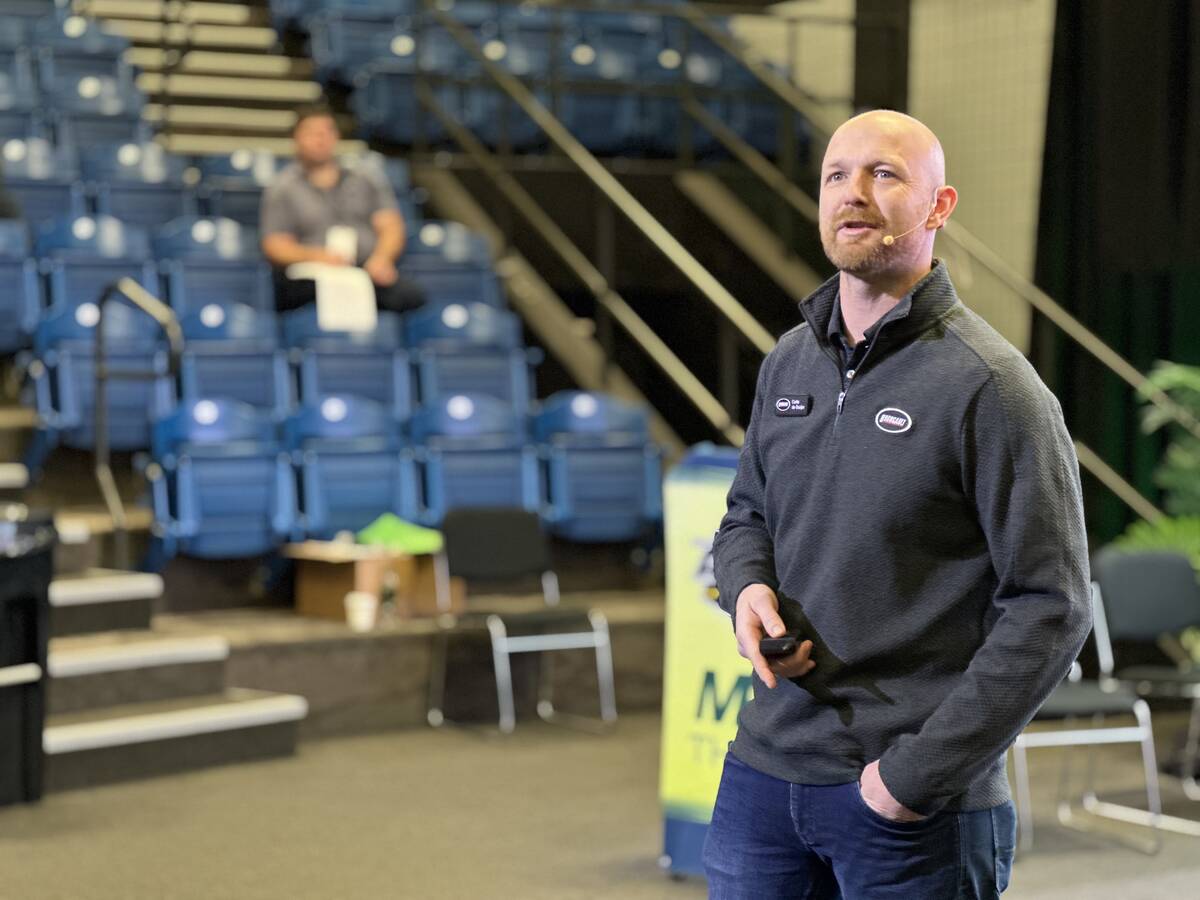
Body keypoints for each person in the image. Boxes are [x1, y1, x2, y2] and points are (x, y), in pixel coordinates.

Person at [704, 109, 1091, 899]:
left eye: (885, 175)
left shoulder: (993, 387)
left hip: (910, 808)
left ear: (938, 207)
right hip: (764, 775)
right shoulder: (789, 362)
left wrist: (911, 779)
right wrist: (747, 591)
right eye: (836, 176)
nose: (854, 194)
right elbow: (747, 515)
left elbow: (1051, 607)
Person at [260, 105, 426, 313]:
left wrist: (381, 259)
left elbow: (391, 226)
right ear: (296, 139)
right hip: (314, 276)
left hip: (364, 271)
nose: (320, 140)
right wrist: (318, 257)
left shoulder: (365, 178)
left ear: (336, 137)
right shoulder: (282, 188)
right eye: (312, 133)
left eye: (326, 132)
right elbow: (275, 246)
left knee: (411, 297)